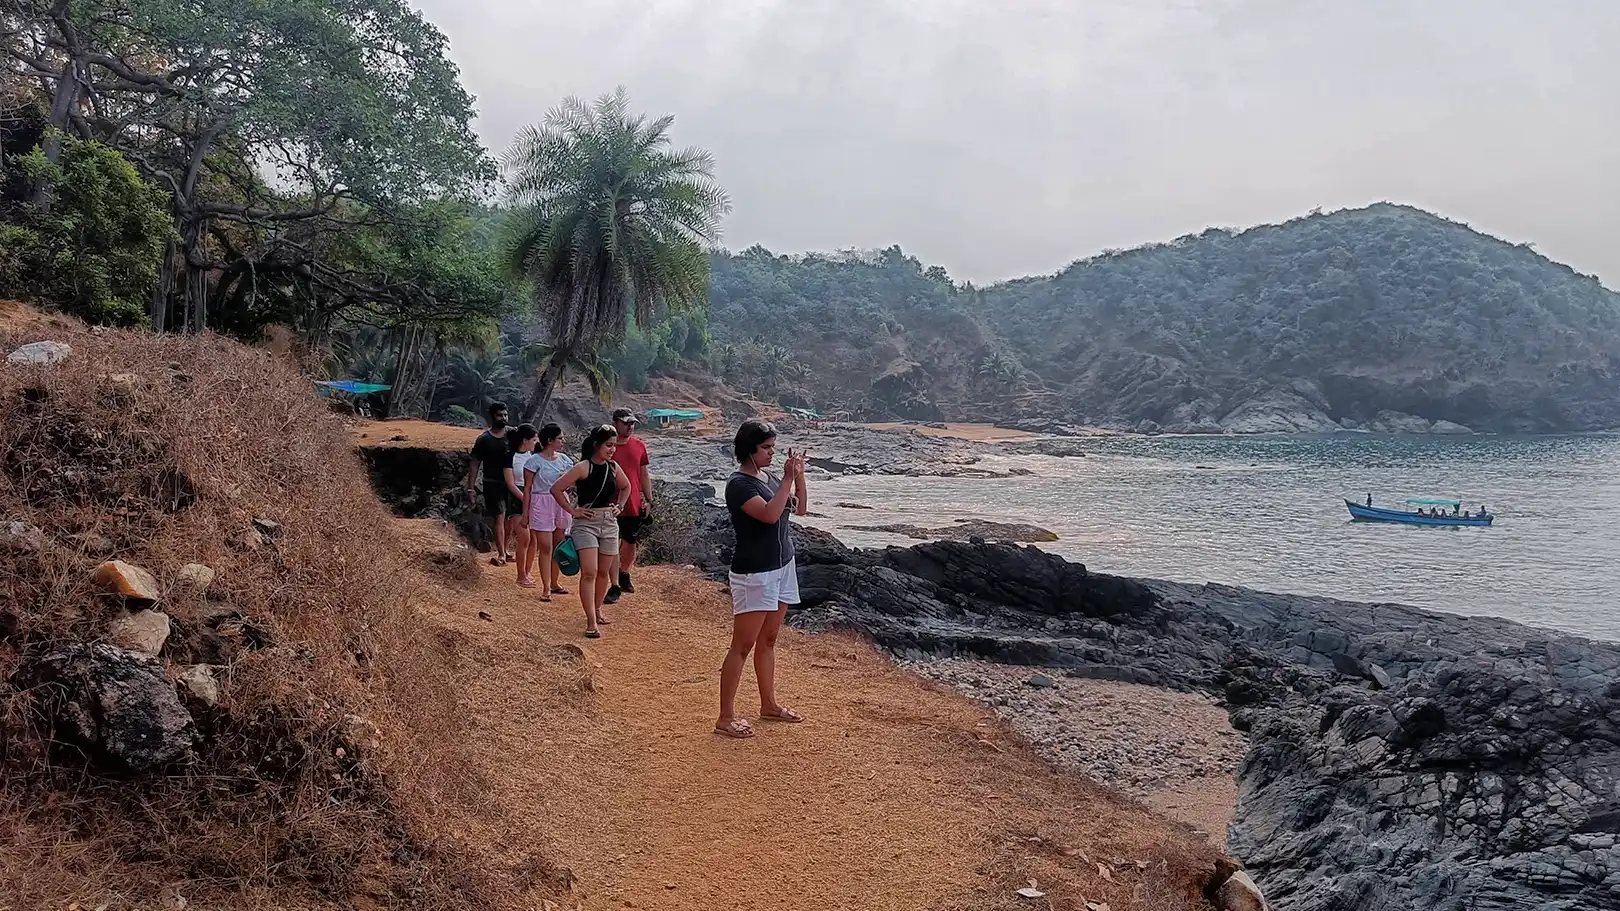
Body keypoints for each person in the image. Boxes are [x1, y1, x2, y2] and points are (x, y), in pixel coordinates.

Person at [715, 420, 809, 740]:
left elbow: (800, 508)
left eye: (773, 447)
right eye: (766, 448)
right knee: (742, 645)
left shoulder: (768, 478)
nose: (772, 453)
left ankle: (769, 704)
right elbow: (769, 515)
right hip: (755, 572)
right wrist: (787, 479)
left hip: (782, 565)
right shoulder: (739, 485)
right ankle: (725, 717)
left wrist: (798, 476)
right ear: (749, 449)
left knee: (768, 639)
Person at [550, 425, 629, 638]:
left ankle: (597, 609)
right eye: (608, 445)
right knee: (589, 572)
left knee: (603, 572)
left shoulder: (613, 467)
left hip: (609, 522)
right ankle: (591, 620)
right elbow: (556, 488)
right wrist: (572, 510)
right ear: (596, 445)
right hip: (586, 524)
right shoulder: (583, 467)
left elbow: (626, 487)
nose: (612, 449)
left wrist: (620, 506)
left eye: (614, 445)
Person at [522, 423, 574, 600]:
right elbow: (528, 488)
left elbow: (573, 480)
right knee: (545, 546)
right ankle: (546, 587)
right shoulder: (534, 461)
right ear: (550, 441)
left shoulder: (565, 460)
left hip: (560, 501)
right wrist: (525, 514)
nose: (562, 441)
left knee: (558, 546)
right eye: (560, 438)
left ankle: (554, 582)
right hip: (541, 502)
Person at [604, 407, 651, 605]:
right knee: (611, 543)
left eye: (632, 423)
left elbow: (643, 474)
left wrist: (648, 499)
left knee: (630, 541)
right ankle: (614, 583)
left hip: (632, 502)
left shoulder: (639, 445)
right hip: (608, 503)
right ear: (615, 423)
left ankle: (624, 573)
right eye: (626, 423)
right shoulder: (607, 446)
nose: (630, 427)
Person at [466, 402, 514, 565]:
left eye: (505, 415)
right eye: (500, 415)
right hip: (492, 483)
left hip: (512, 483)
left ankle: (506, 549)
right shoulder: (484, 439)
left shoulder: (512, 434)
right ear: (492, 417)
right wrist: (471, 488)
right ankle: (501, 553)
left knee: (510, 519)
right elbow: (474, 463)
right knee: (499, 517)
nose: (503, 418)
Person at [504, 424, 540, 587]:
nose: (536, 442)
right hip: (517, 497)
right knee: (524, 537)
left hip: (532, 495)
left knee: (533, 538)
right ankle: (520, 575)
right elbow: (510, 483)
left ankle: (527, 571)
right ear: (525, 440)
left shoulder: (532, 455)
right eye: (534, 439)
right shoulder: (510, 456)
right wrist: (525, 498)